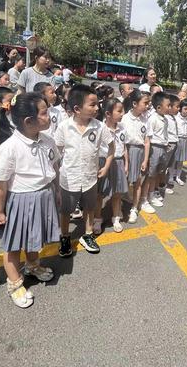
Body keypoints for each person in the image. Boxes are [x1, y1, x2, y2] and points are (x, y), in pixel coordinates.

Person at [0, 92, 60, 308]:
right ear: (29, 121)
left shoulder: (47, 140)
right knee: (13, 245)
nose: (49, 116)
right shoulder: (9, 148)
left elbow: (54, 167)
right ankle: (14, 282)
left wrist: (55, 191)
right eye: (45, 113)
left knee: (34, 238)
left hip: (44, 195)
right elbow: (0, 184)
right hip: (20, 200)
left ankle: (32, 265)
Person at [54, 85, 114, 257]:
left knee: (90, 207)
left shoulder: (99, 127)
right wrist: (57, 174)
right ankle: (65, 236)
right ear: (77, 109)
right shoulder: (64, 127)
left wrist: (106, 166)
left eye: (97, 104)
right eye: (93, 105)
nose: (97, 108)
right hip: (69, 178)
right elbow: (56, 152)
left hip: (90, 177)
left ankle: (87, 235)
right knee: (66, 210)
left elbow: (111, 146)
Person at [94, 98, 129, 234]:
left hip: (119, 162)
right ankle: (97, 219)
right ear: (108, 114)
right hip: (104, 163)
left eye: (123, 111)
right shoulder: (100, 128)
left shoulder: (122, 128)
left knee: (117, 193)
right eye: (119, 111)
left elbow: (124, 146)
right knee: (99, 194)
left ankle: (116, 218)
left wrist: (126, 164)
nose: (122, 114)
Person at [121, 89, 150, 224]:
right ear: (134, 104)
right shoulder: (124, 119)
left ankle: (134, 208)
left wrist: (145, 159)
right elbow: (122, 141)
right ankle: (121, 203)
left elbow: (146, 141)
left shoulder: (146, 119)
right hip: (126, 151)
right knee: (124, 180)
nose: (148, 105)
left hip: (139, 152)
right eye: (145, 103)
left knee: (138, 181)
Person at [140, 92, 170, 213]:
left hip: (162, 148)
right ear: (158, 107)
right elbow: (148, 138)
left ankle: (151, 196)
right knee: (149, 175)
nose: (169, 107)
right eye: (167, 105)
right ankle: (144, 199)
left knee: (156, 174)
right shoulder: (152, 119)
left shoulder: (165, 119)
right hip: (154, 148)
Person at [172, 98, 187, 185]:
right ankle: (170, 176)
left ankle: (178, 176)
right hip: (177, 139)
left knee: (181, 161)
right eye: (185, 109)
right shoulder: (176, 118)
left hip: (186, 140)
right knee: (173, 160)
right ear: (180, 108)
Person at [164, 94, 180, 195]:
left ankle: (165, 183)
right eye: (177, 107)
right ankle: (162, 185)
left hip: (174, 143)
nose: (178, 109)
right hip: (169, 144)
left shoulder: (173, 117)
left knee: (170, 165)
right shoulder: (166, 118)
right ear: (169, 106)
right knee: (164, 166)